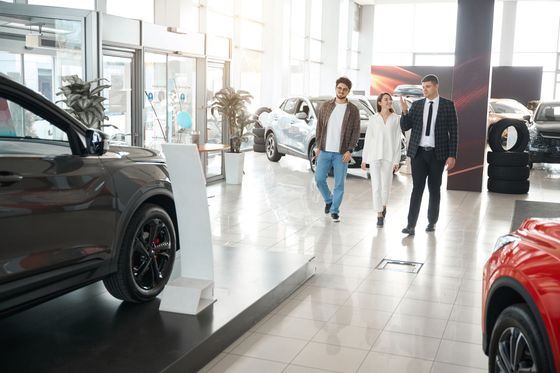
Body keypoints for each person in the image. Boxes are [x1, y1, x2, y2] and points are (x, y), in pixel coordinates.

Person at [400, 74, 458, 235]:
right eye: (423, 87)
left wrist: (452, 155)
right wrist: (404, 111)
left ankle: (432, 222)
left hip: (437, 155)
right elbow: (406, 126)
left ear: (436, 86)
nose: (424, 90)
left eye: (428, 86)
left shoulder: (447, 105)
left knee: (434, 189)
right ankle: (411, 225)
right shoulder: (417, 105)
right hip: (418, 153)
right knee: (416, 188)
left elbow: (453, 132)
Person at [314, 77, 361, 222]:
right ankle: (329, 200)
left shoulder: (352, 110)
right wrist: (317, 146)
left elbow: (356, 131)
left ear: (348, 91)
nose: (341, 91)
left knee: (339, 183)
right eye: (339, 88)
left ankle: (335, 210)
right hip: (325, 150)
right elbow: (319, 127)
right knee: (319, 179)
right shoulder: (326, 106)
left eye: (345, 89)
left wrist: (350, 150)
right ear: (336, 88)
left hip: (342, 152)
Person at [361, 92, 403, 228]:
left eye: (390, 99)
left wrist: (397, 160)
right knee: (376, 186)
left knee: (386, 185)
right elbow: (368, 139)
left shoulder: (396, 119)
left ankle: (384, 205)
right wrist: (364, 158)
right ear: (380, 103)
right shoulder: (373, 119)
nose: (389, 101)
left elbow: (397, 140)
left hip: (389, 156)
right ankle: (379, 214)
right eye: (386, 99)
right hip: (374, 156)